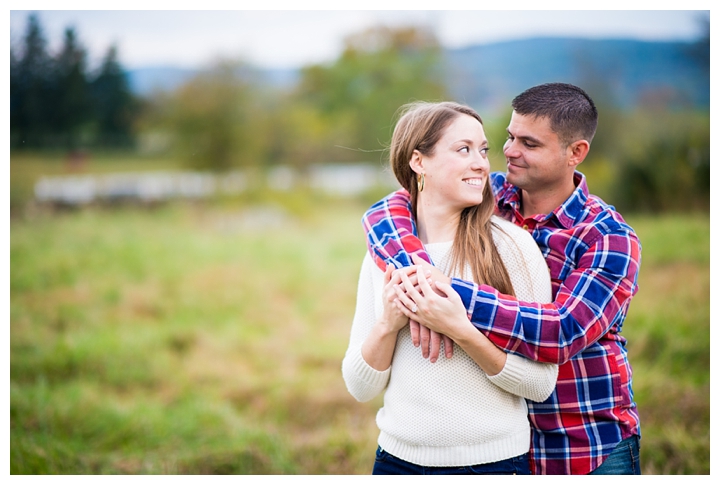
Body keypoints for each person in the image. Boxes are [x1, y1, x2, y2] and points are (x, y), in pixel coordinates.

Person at [361, 83, 642, 475]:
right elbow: (388, 209)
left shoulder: (607, 236)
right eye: (509, 137)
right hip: (504, 438)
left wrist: (441, 299)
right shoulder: (489, 196)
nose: (509, 151)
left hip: (583, 437)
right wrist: (417, 278)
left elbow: (560, 332)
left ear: (575, 153)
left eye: (529, 143)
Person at [342, 101, 558, 475]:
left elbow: (540, 384)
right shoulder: (385, 257)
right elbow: (360, 387)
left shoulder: (512, 248)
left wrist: (459, 329)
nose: (481, 164)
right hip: (397, 462)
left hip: (494, 464)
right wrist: (388, 325)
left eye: (483, 150)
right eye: (463, 150)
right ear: (418, 162)